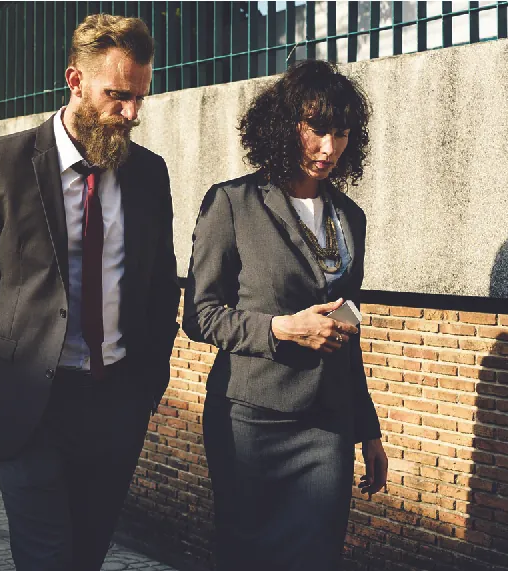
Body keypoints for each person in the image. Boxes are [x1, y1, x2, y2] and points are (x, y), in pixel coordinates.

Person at [0, 14, 180, 571]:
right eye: (117, 96)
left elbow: (159, 289)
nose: (131, 113)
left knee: (87, 555)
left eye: (139, 98)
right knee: (47, 558)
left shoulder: (149, 175)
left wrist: (145, 390)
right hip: (29, 407)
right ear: (75, 81)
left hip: (115, 405)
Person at [182, 60, 388, 571]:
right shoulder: (232, 203)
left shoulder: (351, 217)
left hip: (328, 425)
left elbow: (349, 329)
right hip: (251, 419)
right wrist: (281, 329)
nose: (329, 148)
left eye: (342, 133)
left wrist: (368, 429)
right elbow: (200, 315)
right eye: (317, 129)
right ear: (284, 125)